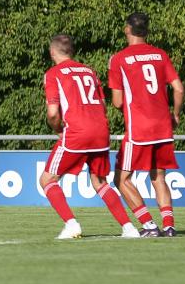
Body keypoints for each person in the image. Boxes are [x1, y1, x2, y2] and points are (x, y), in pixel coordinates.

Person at [39, 35, 139, 239]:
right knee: (100, 182)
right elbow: (102, 105)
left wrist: (58, 130)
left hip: (77, 132)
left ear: (52, 52)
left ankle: (71, 224)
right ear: (72, 51)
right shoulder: (89, 71)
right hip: (100, 131)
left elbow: (52, 113)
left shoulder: (53, 74)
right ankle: (129, 228)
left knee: (47, 179)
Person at [109, 13, 185, 237]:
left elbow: (117, 102)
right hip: (163, 127)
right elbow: (179, 88)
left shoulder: (119, 59)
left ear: (127, 29)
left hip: (139, 129)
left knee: (121, 178)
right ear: (147, 31)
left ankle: (149, 225)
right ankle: (169, 226)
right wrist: (175, 114)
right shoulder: (160, 54)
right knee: (158, 176)